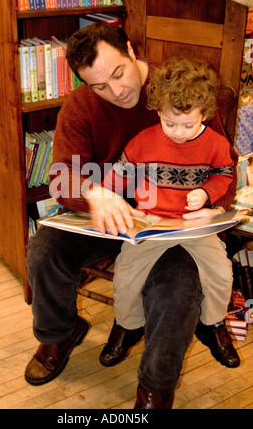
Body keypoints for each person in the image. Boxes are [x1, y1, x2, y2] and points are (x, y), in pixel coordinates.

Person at [24, 24, 239, 409]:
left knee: (177, 288)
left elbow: (223, 164)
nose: (117, 91)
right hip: (108, 214)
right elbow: (60, 176)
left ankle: (156, 386)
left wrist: (211, 207)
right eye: (99, 86)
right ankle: (60, 333)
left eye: (119, 73)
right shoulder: (81, 106)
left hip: (172, 218)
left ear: (129, 49)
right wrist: (96, 192)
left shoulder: (179, 89)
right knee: (44, 249)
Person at [101, 57, 240, 360]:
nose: (178, 132)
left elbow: (225, 174)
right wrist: (112, 199)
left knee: (221, 272)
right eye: (169, 122)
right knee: (125, 272)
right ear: (158, 111)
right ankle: (127, 326)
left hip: (194, 223)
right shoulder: (143, 141)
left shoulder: (215, 143)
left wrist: (207, 192)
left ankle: (213, 324)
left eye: (188, 125)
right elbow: (118, 177)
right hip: (151, 221)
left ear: (204, 114)